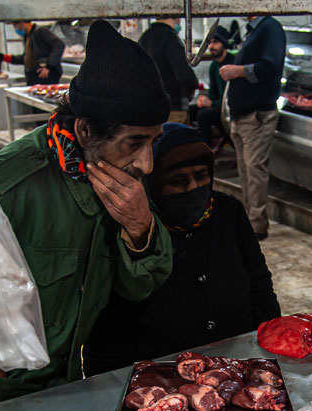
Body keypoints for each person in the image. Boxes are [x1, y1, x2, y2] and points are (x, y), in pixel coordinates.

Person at [0, 20, 173, 411]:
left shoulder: (119, 180)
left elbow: (141, 286)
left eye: (153, 141)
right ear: (85, 129)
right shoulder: (3, 189)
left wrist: (140, 229)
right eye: (134, 143)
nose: (146, 162)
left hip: (63, 381)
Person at [84, 124, 280, 375]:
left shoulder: (228, 211)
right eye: (177, 181)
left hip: (237, 362)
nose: (193, 187)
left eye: (201, 175)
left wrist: (272, 344)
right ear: (152, 184)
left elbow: (259, 282)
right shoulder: (134, 228)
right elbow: (107, 328)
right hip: (163, 377)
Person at [221, 15, 285, 240]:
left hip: (257, 115)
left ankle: (257, 224)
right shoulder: (252, 30)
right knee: (246, 170)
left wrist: (236, 71)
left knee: (254, 169)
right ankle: (249, 219)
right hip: (242, 115)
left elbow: (270, 66)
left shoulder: (270, 28)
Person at [138, 17, 198, 125]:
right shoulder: (171, 38)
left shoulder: (144, 38)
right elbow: (185, 75)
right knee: (174, 139)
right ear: (175, 17)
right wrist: (189, 91)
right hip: (173, 108)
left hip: (149, 108)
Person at [195, 25, 235, 142]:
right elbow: (213, 93)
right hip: (219, 106)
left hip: (229, 109)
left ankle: (207, 152)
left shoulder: (232, 63)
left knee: (204, 115)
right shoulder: (214, 66)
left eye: (215, 42)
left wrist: (211, 103)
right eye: (209, 43)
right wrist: (204, 101)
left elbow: (229, 99)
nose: (211, 46)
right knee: (192, 110)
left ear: (224, 43)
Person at [1, 21, 64, 86]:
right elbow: (26, 58)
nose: (15, 28)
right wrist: (5, 57)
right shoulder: (28, 36)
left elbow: (59, 45)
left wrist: (49, 66)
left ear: (22, 22)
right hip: (33, 77)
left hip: (44, 77)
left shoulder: (40, 31)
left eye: (15, 25)